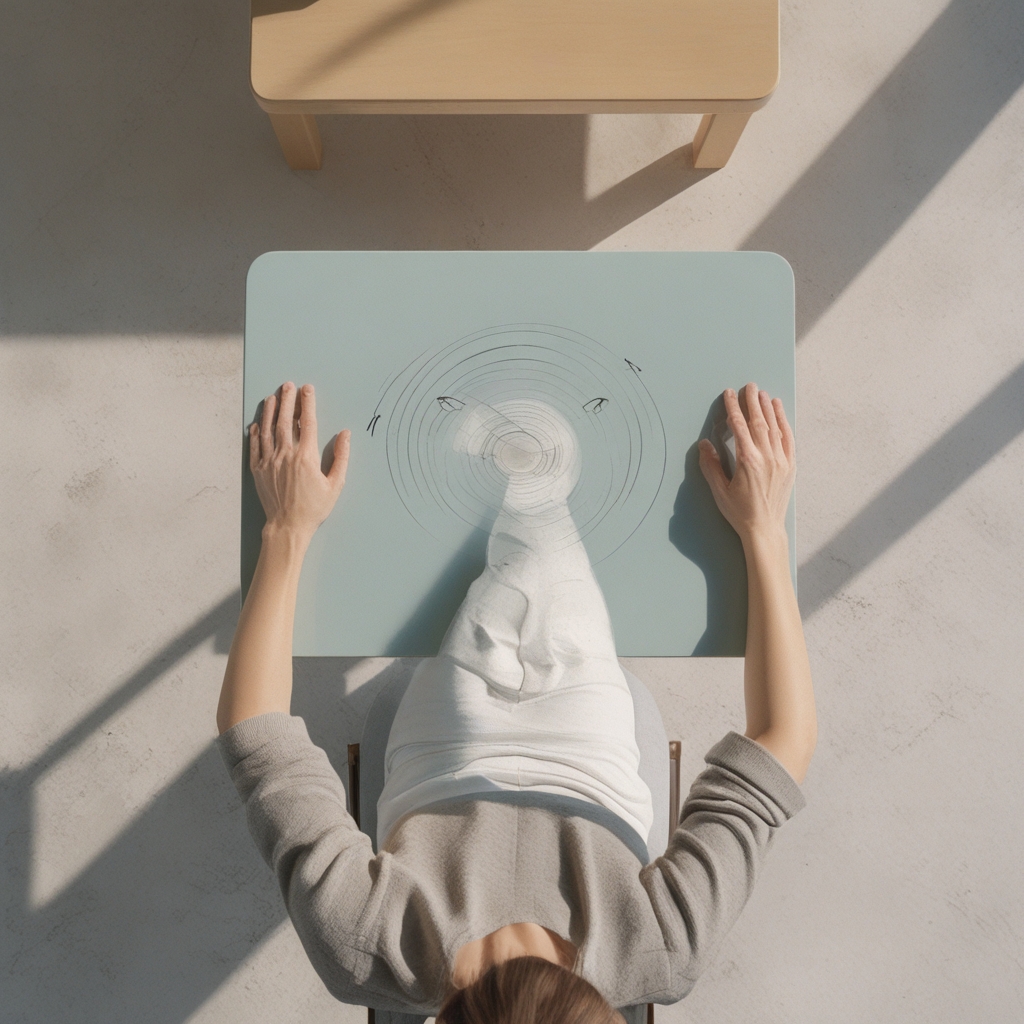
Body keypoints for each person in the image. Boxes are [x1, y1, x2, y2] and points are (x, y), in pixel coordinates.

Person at [216, 380, 816, 1023]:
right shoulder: (364, 952)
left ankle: (517, 453)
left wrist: (765, 532)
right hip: (513, 740)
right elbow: (253, 736)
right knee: (535, 506)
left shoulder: (662, 955)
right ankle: (525, 461)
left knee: (528, 503)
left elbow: (783, 741)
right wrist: (286, 528)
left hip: (463, 734)